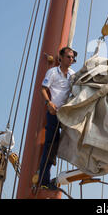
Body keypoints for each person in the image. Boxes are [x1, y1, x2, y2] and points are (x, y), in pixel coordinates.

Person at [38, 46, 77, 189]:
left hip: (67, 114)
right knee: (50, 146)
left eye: (73, 57)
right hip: (54, 113)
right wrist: (49, 103)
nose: (71, 59)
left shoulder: (73, 75)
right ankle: (44, 181)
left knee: (74, 139)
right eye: (68, 56)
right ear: (60, 58)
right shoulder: (53, 72)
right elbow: (42, 89)